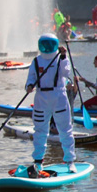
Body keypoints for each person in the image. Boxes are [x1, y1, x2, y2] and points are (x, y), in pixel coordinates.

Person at [25, 33, 76, 177]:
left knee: (65, 129)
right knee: (40, 130)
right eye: (44, 44)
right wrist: (29, 86)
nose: (47, 47)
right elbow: (31, 78)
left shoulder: (60, 59)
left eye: (49, 44)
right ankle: (38, 161)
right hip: (41, 97)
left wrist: (64, 56)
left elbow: (66, 73)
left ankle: (70, 161)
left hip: (58, 96)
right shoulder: (36, 61)